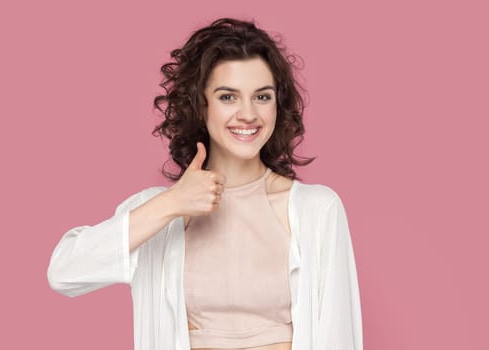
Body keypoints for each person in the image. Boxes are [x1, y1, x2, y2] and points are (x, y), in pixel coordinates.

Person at [47, 18, 363, 350]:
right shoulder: (163, 212)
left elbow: (338, 335)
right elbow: (65, 272)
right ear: (201, 105)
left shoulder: (316, 209)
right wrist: (171, 204)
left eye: (262, 96)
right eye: (228, 97)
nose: (248, 114)